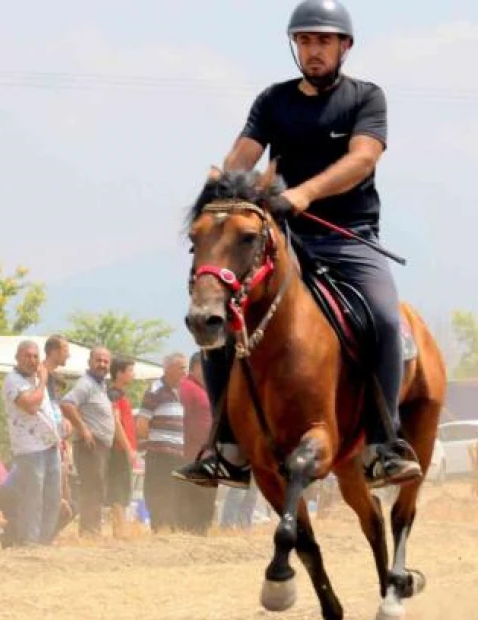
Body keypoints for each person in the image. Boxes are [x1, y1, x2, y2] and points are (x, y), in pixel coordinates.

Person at [174, 0, 419, 490]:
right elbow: (243, 154)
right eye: (305, 41)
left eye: (324, 41)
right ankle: (226, 449)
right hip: (281, 241)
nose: (314, 50)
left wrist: (304, 193)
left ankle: (383, 444)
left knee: (385, 318)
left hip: (348, 237)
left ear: (344, 47)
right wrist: (224, 186)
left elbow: (363, 159)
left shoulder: (365, 98)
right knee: (221, 318)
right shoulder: (273, 100)